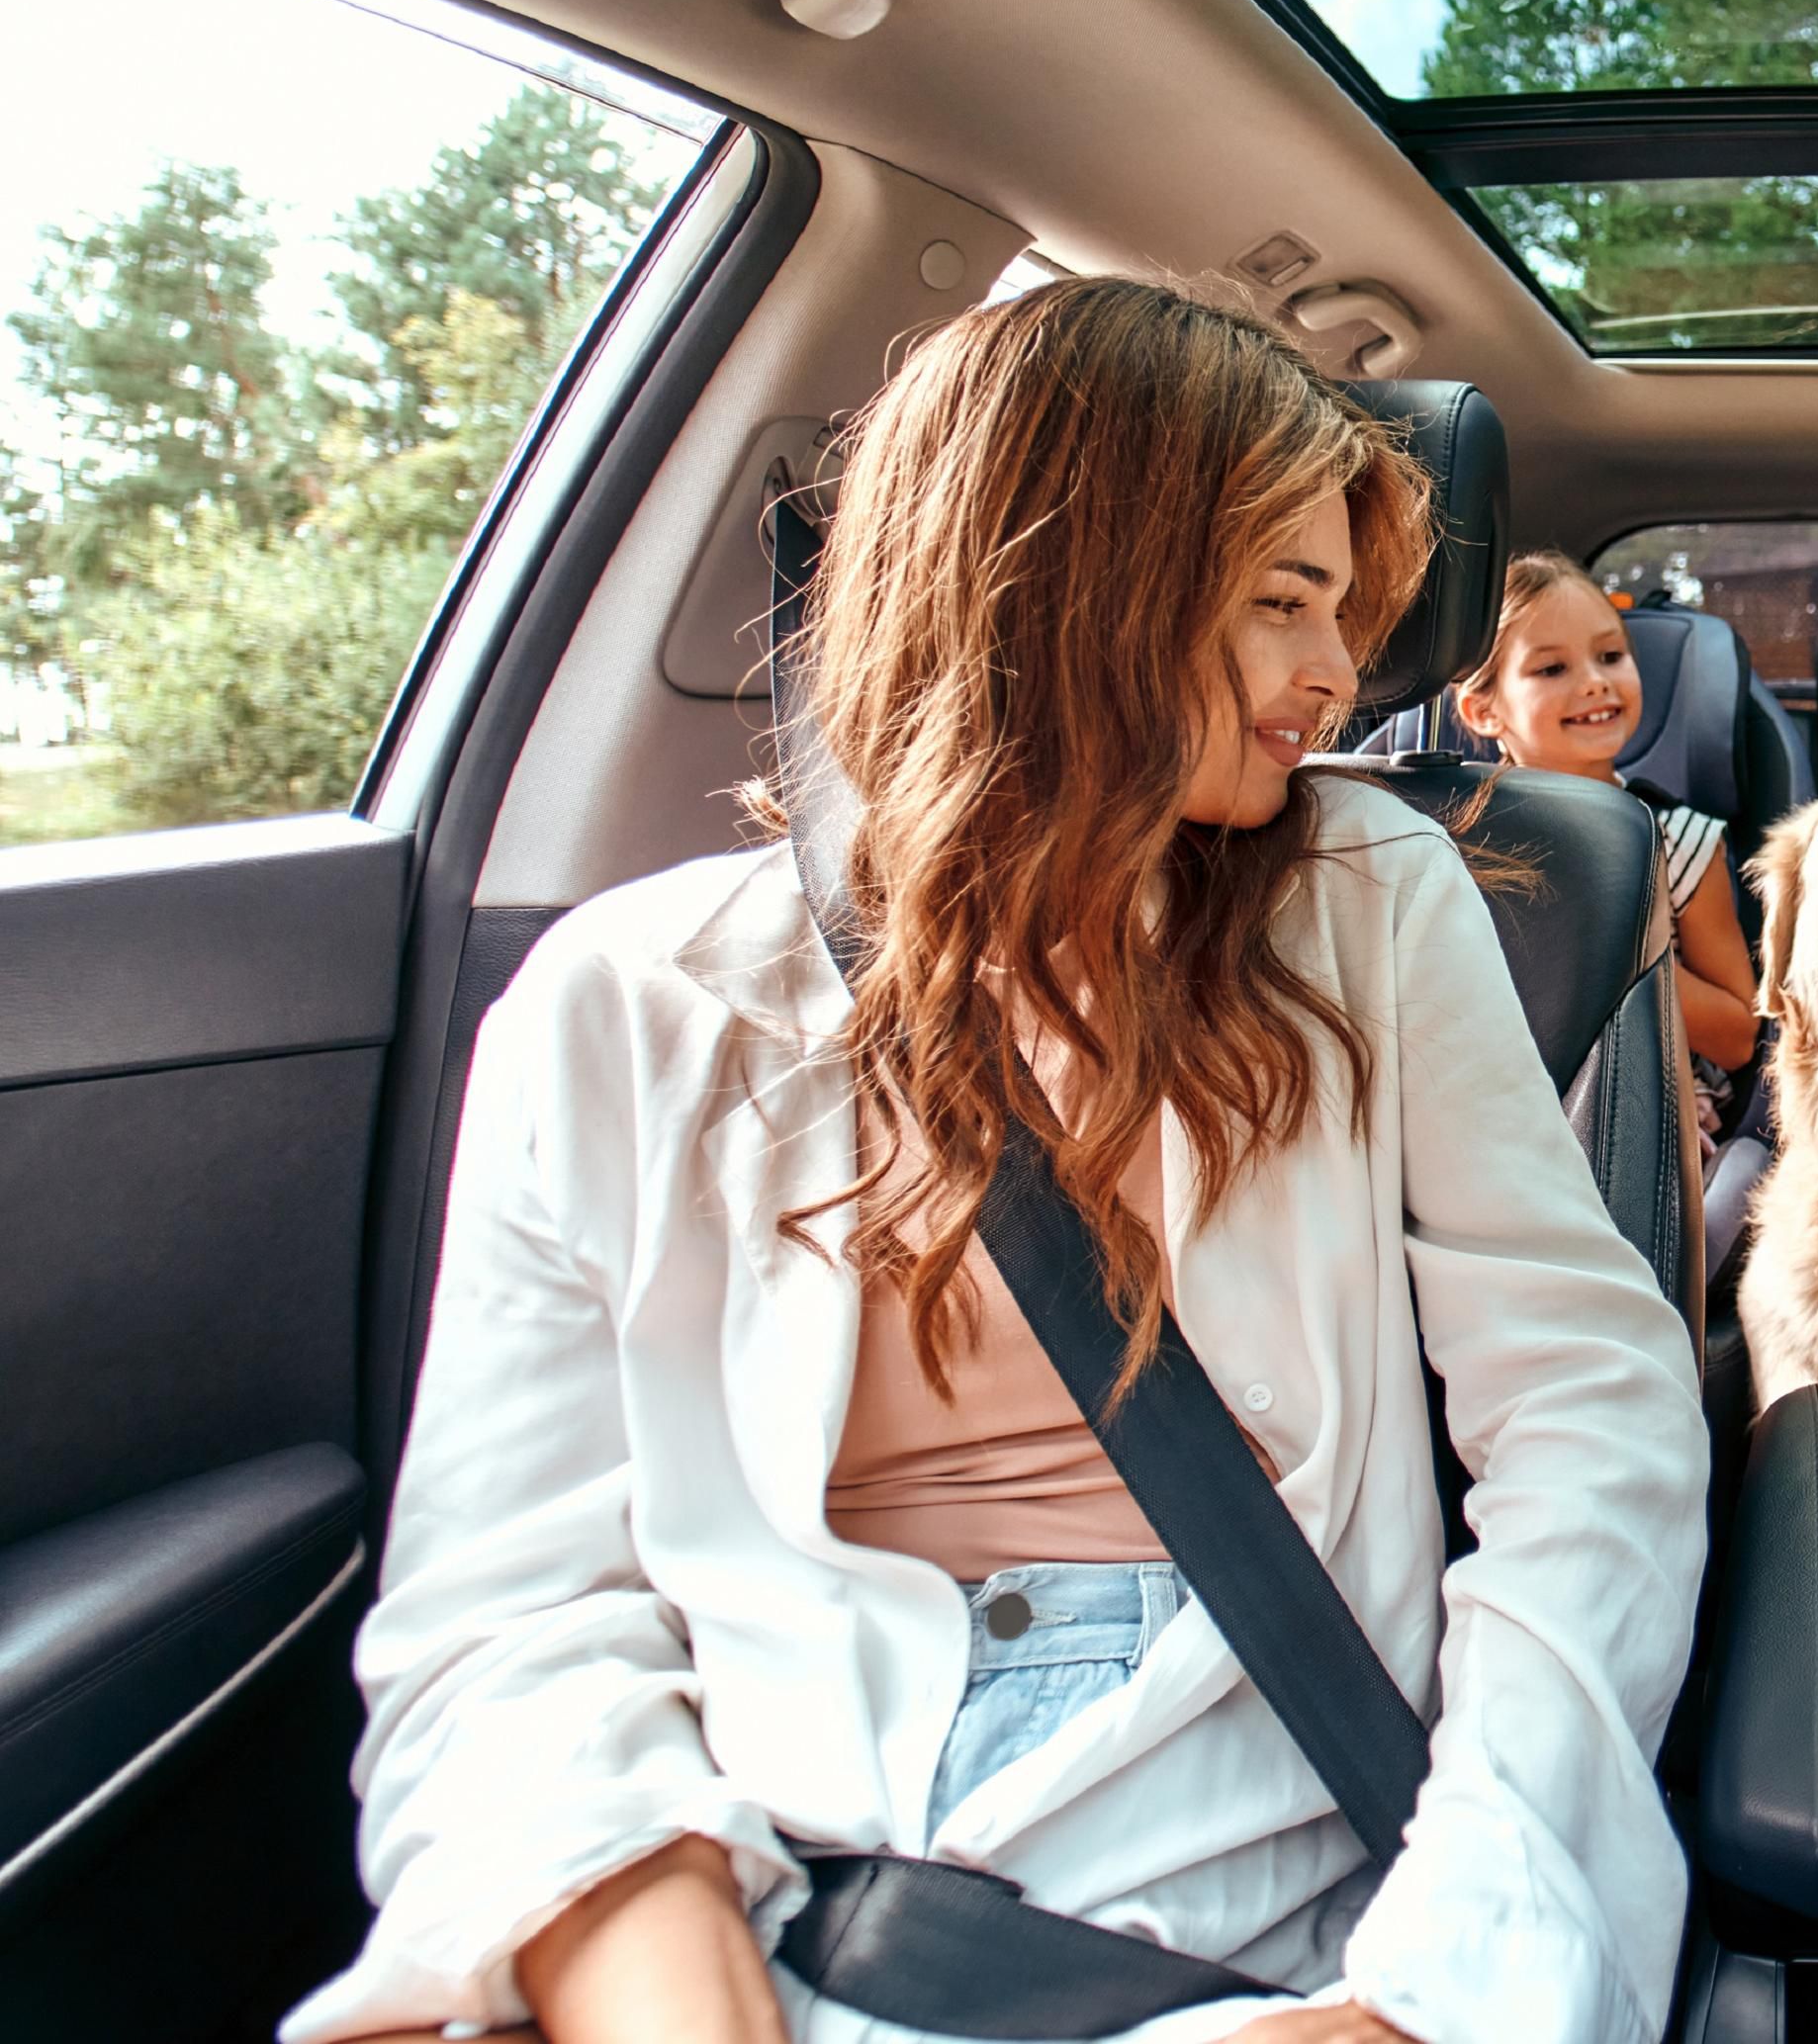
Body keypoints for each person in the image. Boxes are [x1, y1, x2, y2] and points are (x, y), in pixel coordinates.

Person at [288, 278, 1708, 2044]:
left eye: (1342, 614)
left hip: (1253, 1893)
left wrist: (1452, 1974)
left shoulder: (1370, 902)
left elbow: (1587, 1410)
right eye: (1282, 602)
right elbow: (506, 1613)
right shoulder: (623, 1002)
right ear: (1065, 581)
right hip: (764, 1865)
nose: (1338, 677)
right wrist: (658, 1964)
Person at [1449, 552, 1763, 1114]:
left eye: (1611, 656)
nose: (1596, 683)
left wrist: (1609, 951)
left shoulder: (1681, 841)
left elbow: (1738, 1039)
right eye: (1552, 669)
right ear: (1483, 711)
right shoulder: (1456, 844)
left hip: (1642, 1110)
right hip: (1491, 1105)